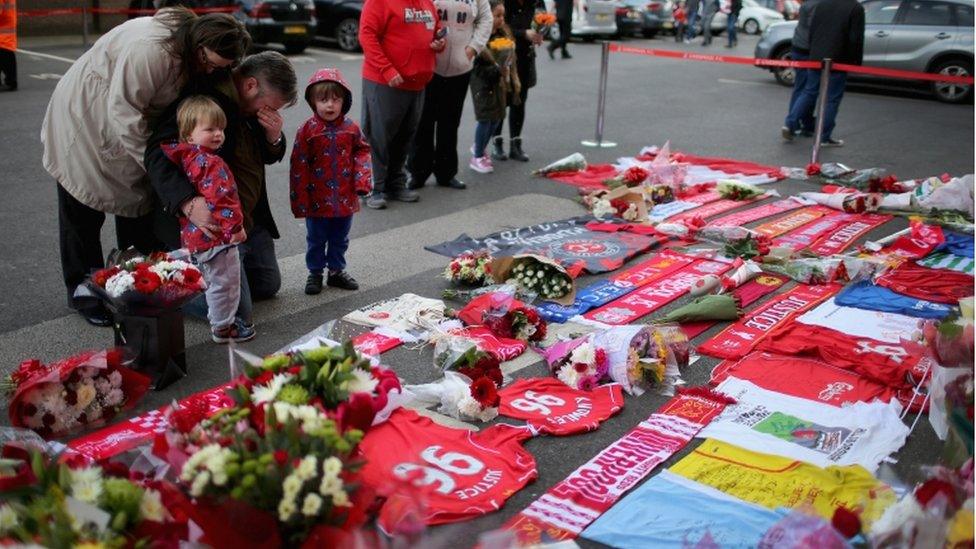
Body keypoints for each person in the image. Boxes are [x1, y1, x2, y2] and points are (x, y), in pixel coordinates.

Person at [41, 8, 250, 327]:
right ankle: (84, 291)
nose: (209, 70)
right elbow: (123, 113)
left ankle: (129, 286)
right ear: (198, 46)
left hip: (126, 128)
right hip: (84, 122)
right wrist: (156, 166)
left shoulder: (190, 51)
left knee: (135, 208)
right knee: (81, 209)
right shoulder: (150, 52)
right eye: (208, 63)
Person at [147, 51, 298, 328]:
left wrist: (274, 136)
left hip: (244, 219)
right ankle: (157, 282)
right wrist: (188, 202)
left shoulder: (249, 106)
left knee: (267, 283)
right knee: (237, 312)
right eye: (268, 107)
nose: (269, 114)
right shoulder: (205, 101)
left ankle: (224, 281)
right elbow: (158, 153)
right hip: (210, 225)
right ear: (251, 85)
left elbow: (265, 153)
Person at [162, 96, 253, 343]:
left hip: (197, 236)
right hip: (218, 236)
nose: (218, 134)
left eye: (221, 129)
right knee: (225, 283)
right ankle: (223, 328)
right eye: (210, 129)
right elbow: (222, 198)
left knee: (211, 278)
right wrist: (235, 228)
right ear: (189, 135)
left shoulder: (188, 158)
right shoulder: (211, 163)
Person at [290, 69, 372, 296]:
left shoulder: (351, 128)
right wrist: (300, 201)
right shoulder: (307, 130)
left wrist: (362, 181)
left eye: (336, 99)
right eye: (323, 99)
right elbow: (299, 166)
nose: (330, 105)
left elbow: (362, 153)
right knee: (316, 239)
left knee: (340, 238)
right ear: (312, 101)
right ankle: (315, 272)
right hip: (316, 200)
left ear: (344, 101)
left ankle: (336, 271)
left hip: (345, 198)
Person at [359, 0, 446, 210]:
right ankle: (373, 187)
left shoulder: (427, 3)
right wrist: (387, 69)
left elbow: (436, 31)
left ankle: (395, 183)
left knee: (404, 136)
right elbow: (367, 36)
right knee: (378, 137)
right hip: (385, 80)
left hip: (417, 83)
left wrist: (439, 43)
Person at [406, 0, 492, 192]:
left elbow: (486, 18)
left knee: (450, 122)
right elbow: (416, 14)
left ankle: (446, 173)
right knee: (423, 122)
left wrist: (473, 48)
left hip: (461, 68)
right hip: (430, 65)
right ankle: (417, 172)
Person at [782, 0, 862, 147]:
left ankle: (791, 123)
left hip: (816, 55)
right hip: (838, 59)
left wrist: (814, 51)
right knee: (831, 99)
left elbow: (813, 30)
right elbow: (855, 38)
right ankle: (824, 136)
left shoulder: (822, 4)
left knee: (808, 91)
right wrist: (855, 61)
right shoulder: (855, 7)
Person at [489, 0, 544, 163]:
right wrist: (523, 33)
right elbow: (497, 24)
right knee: (501, 100)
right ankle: (496, 142)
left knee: (519, 100)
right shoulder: (503, 2)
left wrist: (539, 33)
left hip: (525, 56)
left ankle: (515, 144)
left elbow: (542, 19)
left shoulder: (535, 2)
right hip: (503, 53)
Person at [470, 0, 520, 174]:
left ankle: (480, 147)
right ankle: (476, 155)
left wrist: (507, 59)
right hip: (482, 84)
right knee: (485, 118)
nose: (501, 19)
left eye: (502, 16)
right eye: (497, 15)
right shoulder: (478, 38)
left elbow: (507, 57)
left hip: (498, 82)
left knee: (497, 117)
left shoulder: (501, 36)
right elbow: (477, 68)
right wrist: (498, 67)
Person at [781, 0, 822, 139]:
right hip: (808, 50)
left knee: (800, 88)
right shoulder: (819, 5)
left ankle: (804, 123)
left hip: (798, 46)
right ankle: (792, 122)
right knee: (810, 90)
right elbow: (814, 29)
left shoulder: (808, 3)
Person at [0, 0, 16, 92]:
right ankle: (10, 82)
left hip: (3, 35)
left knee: (6, 58)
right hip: (5, 34)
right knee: (7, 58)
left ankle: (10, 83)